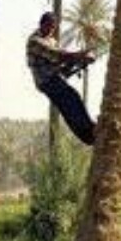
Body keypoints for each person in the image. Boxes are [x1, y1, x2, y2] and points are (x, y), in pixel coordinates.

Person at [26, 12, 98, 145]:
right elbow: (58, 56)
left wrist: (80, 62)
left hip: (55, 77)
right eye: (48, 26)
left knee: (71, 101)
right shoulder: (35, 41)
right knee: (70, 100)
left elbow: (61, 63)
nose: (50, 30)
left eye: (53, 28)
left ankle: (88, 132)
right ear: (41, 24)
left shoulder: (51, 41)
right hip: (46, 80)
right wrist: (80, 55)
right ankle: (88, 133)